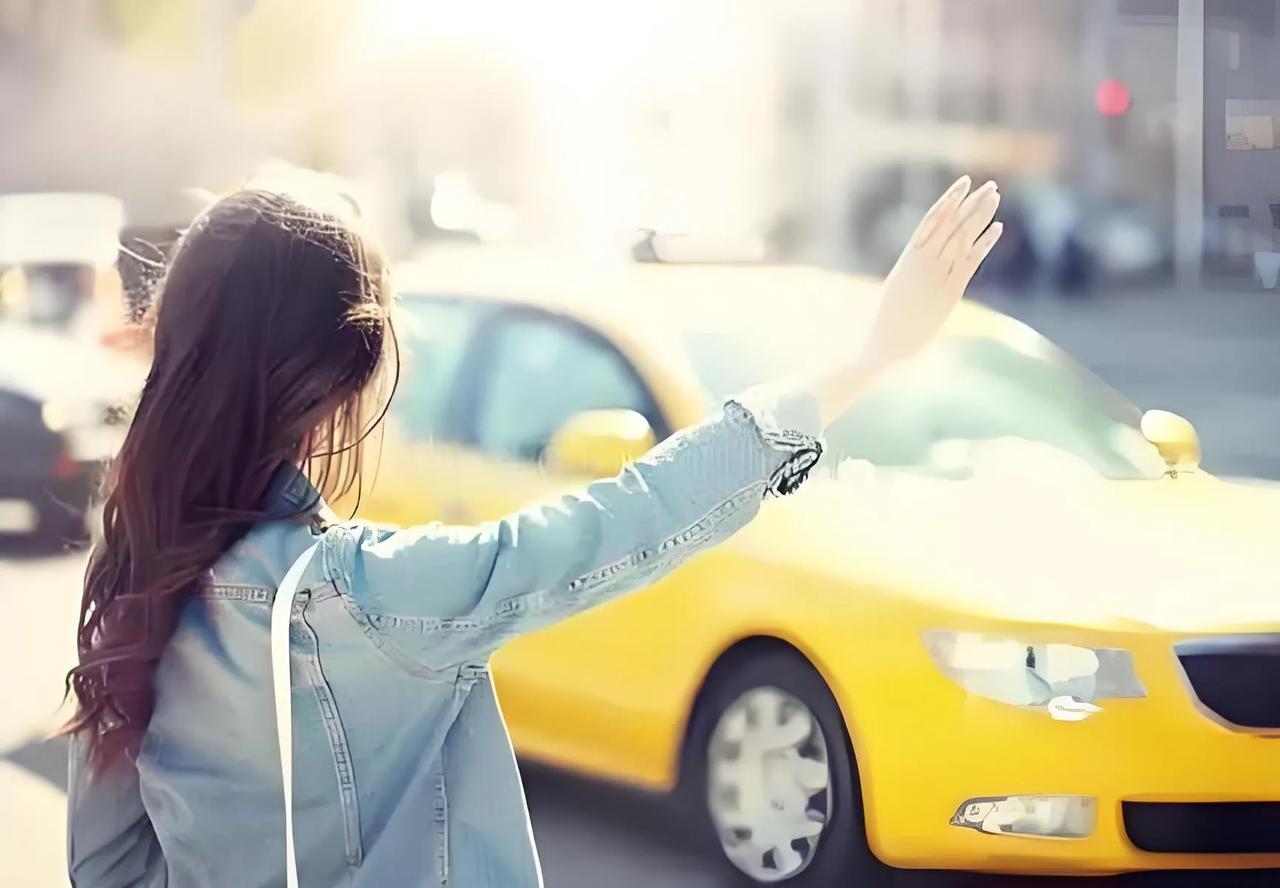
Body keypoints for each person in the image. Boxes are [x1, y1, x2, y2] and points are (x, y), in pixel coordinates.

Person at [64, 176, 1001, 887]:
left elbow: (104, 864)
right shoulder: (363, 593)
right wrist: (872, 355)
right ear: (349, 373)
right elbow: (628, 520)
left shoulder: (131, 563)